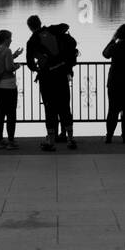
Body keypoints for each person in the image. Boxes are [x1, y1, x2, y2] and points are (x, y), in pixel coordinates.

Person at [27, 15, 76, 150]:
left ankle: (51, 142)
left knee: (50, 109)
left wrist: (39, 68)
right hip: (62, 74)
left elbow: (30, 64)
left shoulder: (32, 40)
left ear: (30, 27)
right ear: (40, 22)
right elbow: (66, 25)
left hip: (47, 78)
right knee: (65, 107)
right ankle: (71, 140)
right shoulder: (53, 30)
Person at [0, 30, 23, 149]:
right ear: (5, 39)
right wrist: (17, 66)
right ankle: (11, 141)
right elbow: (9, 67)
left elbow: (0, 63)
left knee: (0, 113)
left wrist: (14, 55)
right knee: (11, 113)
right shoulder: (7, 50)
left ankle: (0, 140)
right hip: (8, 86)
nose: (11, 40)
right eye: (10, 38)